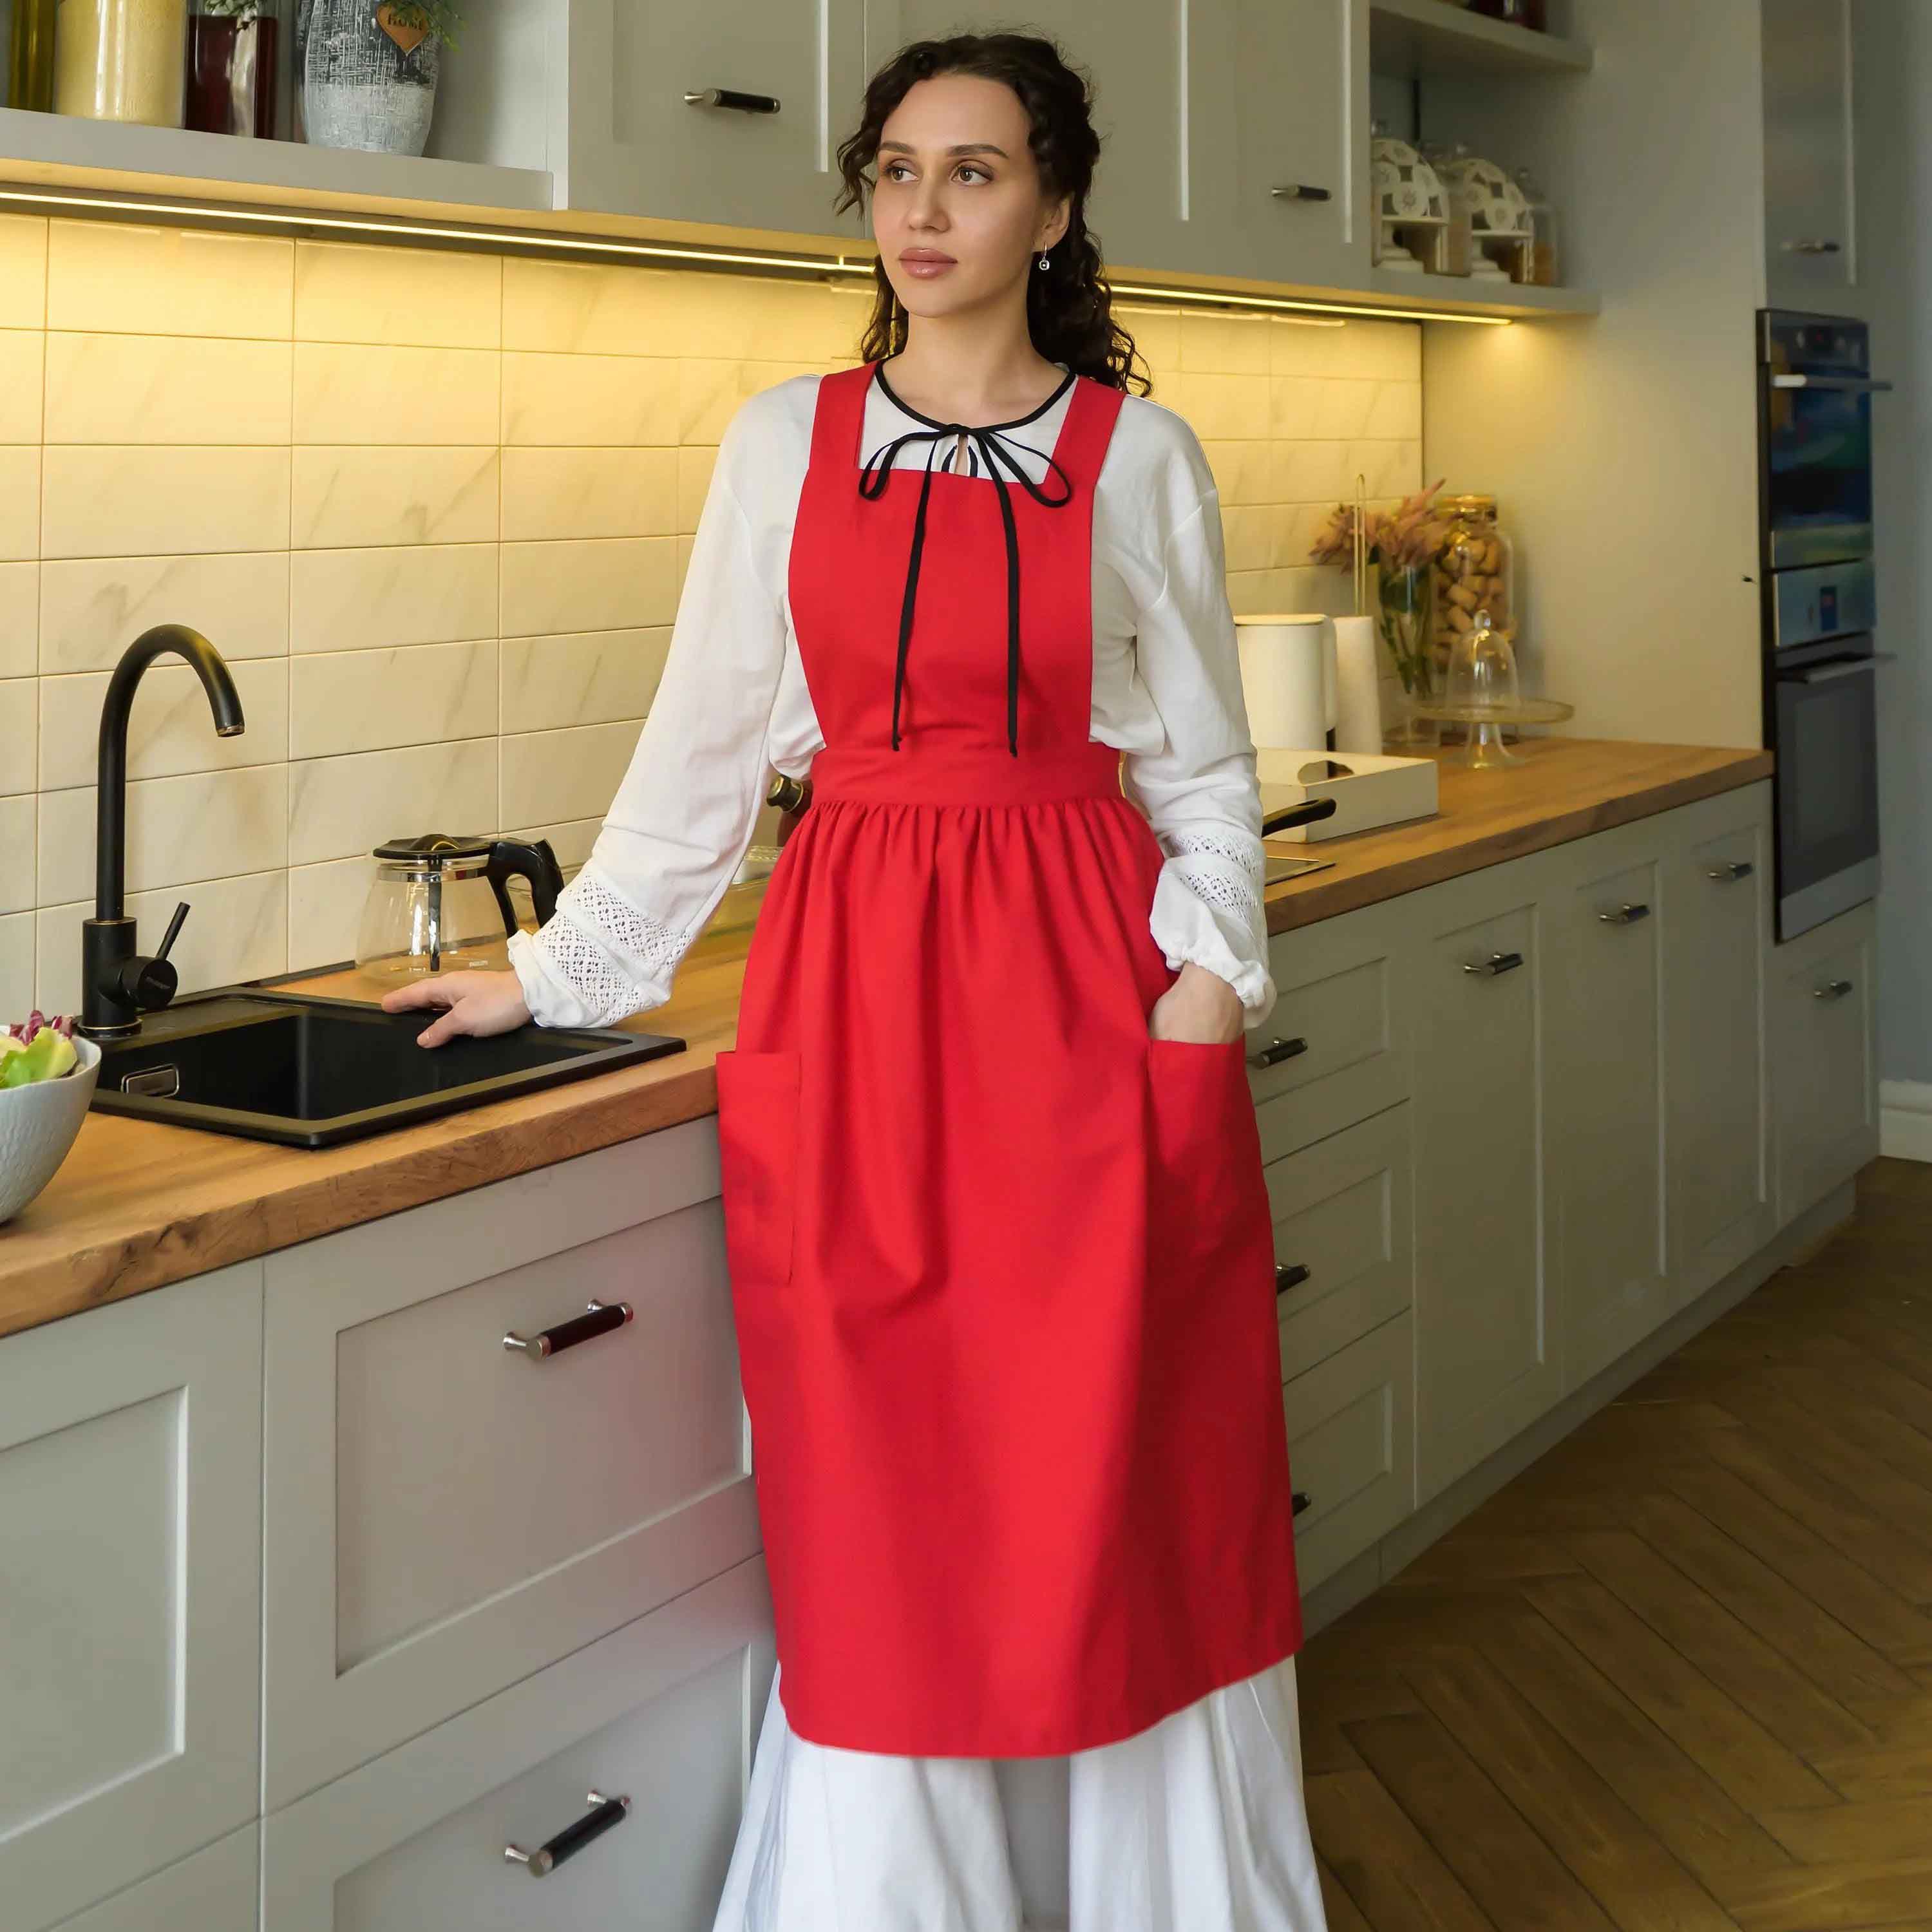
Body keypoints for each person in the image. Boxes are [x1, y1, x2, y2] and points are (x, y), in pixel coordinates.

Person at [381, 30, 1328, 1932]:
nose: (925, 209)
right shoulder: (774, 445)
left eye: (975, 173)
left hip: (1085, 986)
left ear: (1055, 209)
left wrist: (1204, 984)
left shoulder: (1139, 455)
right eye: (897, 170)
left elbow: (1210, 774)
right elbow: (703, 762)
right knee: (880, 1498)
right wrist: (553, 973)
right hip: (856, 995)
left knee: (1112, 1483)